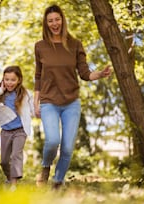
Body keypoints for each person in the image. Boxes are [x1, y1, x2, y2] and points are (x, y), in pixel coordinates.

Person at [34, 5, 112, 190]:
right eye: (50, 20)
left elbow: (84, 73)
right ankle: (45, 167)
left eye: (57, 19)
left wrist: (99, 74)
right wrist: (35, 101)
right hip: (49, 101)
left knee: (67, 148)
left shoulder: (75, 44)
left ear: (63, 20)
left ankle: (57, 182)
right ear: (46, 23)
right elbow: (38, 75)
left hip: (71, 103)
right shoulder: (40, 46)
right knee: (53, 141)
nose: (54, 23)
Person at [0, 66, 34, 189]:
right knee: (4, 161)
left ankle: (14, 185)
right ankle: (9, 178)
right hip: (6, 131)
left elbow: (33, 109)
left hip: (20, 130)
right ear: (3, 79)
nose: (9, 83)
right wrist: (0, 90)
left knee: (16, 155)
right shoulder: (0, 93)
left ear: (19, 80)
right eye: (7, 79)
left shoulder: (26, 94)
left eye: (12, 80)